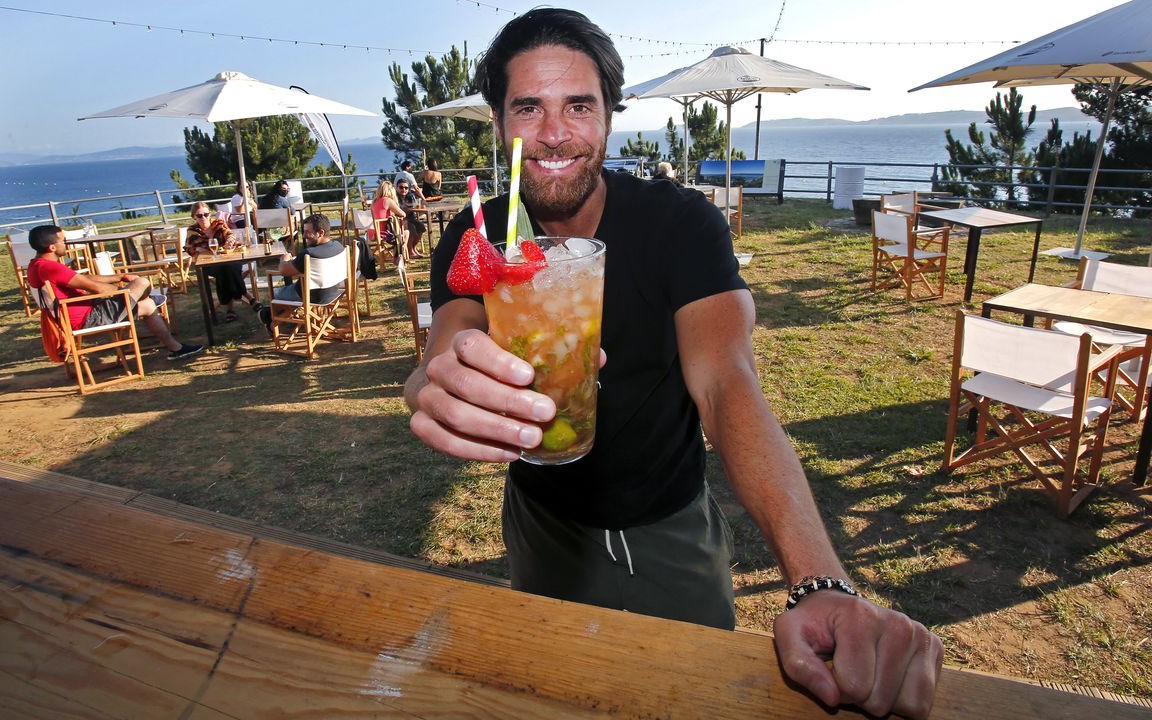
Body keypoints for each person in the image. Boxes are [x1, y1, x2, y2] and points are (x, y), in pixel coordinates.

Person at [403, 9, 942, 719]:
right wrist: (439, 378)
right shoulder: (476, 236)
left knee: (693, 700)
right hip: (539, 520)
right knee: (554, 694)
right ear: (499, 123)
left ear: (610, 119)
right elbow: (453, 333)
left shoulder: (681, 224)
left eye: (579, 106)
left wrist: (820, 582)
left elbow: (726, 382)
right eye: (527, 107)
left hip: (670, 522)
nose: (555, 133)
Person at [25, 224, 202, 361]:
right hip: (88, 318)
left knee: (147, 305)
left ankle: (176, 349)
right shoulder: (50, 268)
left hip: (83, 313)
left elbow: (88, 278)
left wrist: (121, 276)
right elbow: (95, 288)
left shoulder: (37, 265)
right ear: (52, 248)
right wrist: (126, 292)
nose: (66, 244)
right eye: (63, 241)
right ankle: (144, 296)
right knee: (141, 282)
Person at [257, 213, 344, 327]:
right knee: (291, 294)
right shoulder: (339, 247)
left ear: (321, 233)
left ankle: (270, 319)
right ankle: (274, 318)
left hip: (311, 295)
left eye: (308, 232)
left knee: (275, 293)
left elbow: (284, 271)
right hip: (333, 291)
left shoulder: (308, 254)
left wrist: (284, 260)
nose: (304, 235)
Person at [184, 200, 260, 323]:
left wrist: (230, 240)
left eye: (206, 214)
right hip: (209, 264)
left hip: (228, 259)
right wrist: (207, 248)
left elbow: (230, 235)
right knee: (225, 270)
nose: (203, 218)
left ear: (210, 214)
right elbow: (192, 248)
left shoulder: (218, 224)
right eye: (199, 215)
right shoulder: (192, 231)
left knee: (228, 269)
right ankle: (250, 298)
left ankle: (229, 310)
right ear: (194, 217)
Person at [370, 179, 408, 259]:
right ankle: (400, 255)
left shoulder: (374, 202)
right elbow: (403, 214)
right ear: (391, 190)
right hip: (383, 233)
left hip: (373, 232)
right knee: (405, 233)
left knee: (399, 233)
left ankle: (398, 254)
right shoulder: (387, 200)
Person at [396, 178, 428, 260]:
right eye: (401, 187)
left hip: (410, 218)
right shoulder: (394, 197)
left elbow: (415, 205)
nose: (404, 189)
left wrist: (420, 204)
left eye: (406, 188)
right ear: (397, 188)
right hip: (399, 220)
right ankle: (410, 251)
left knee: (421, 226)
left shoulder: (410, 195)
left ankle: (413, 247)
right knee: (411, 227)